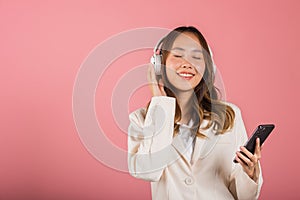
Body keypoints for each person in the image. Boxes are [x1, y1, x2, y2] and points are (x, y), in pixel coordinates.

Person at [128, 26, 263, 200]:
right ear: (159, 65)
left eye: (197, 57)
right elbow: (147, 171)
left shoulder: (229, 116)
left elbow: (244, 197)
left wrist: (250, 174)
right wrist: (160, 102)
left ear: (208, 68)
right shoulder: (141, 119)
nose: (188, 63)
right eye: (178, 55)